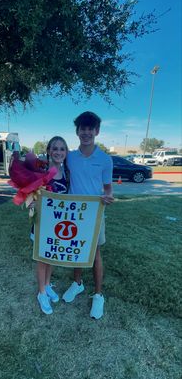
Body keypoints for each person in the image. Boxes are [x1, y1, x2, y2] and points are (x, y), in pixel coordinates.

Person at [62, 111, 114, 320]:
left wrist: (108, 197)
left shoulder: (105, 159)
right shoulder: (70, 157)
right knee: (76, 250)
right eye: (82, 128)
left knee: (95, 254)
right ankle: (77, 284)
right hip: (73, 213)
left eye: (90, 128)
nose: (86, 132)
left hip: (94, 214)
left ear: (97, 131)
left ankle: (99, 295)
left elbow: (108, 189)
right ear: (77, 131)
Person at [33, 136, 69, 315]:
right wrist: (31, 202)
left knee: (52, 256)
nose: (58, 152)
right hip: (41, 224)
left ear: (66, 152)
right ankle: (41, 293)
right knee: (42, 259)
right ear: (48, 151)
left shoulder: (67, 174)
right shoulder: (41, 172)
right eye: (55, 148)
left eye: (62, 149)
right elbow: (30, 197)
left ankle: (47, 285)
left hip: (58, 226)